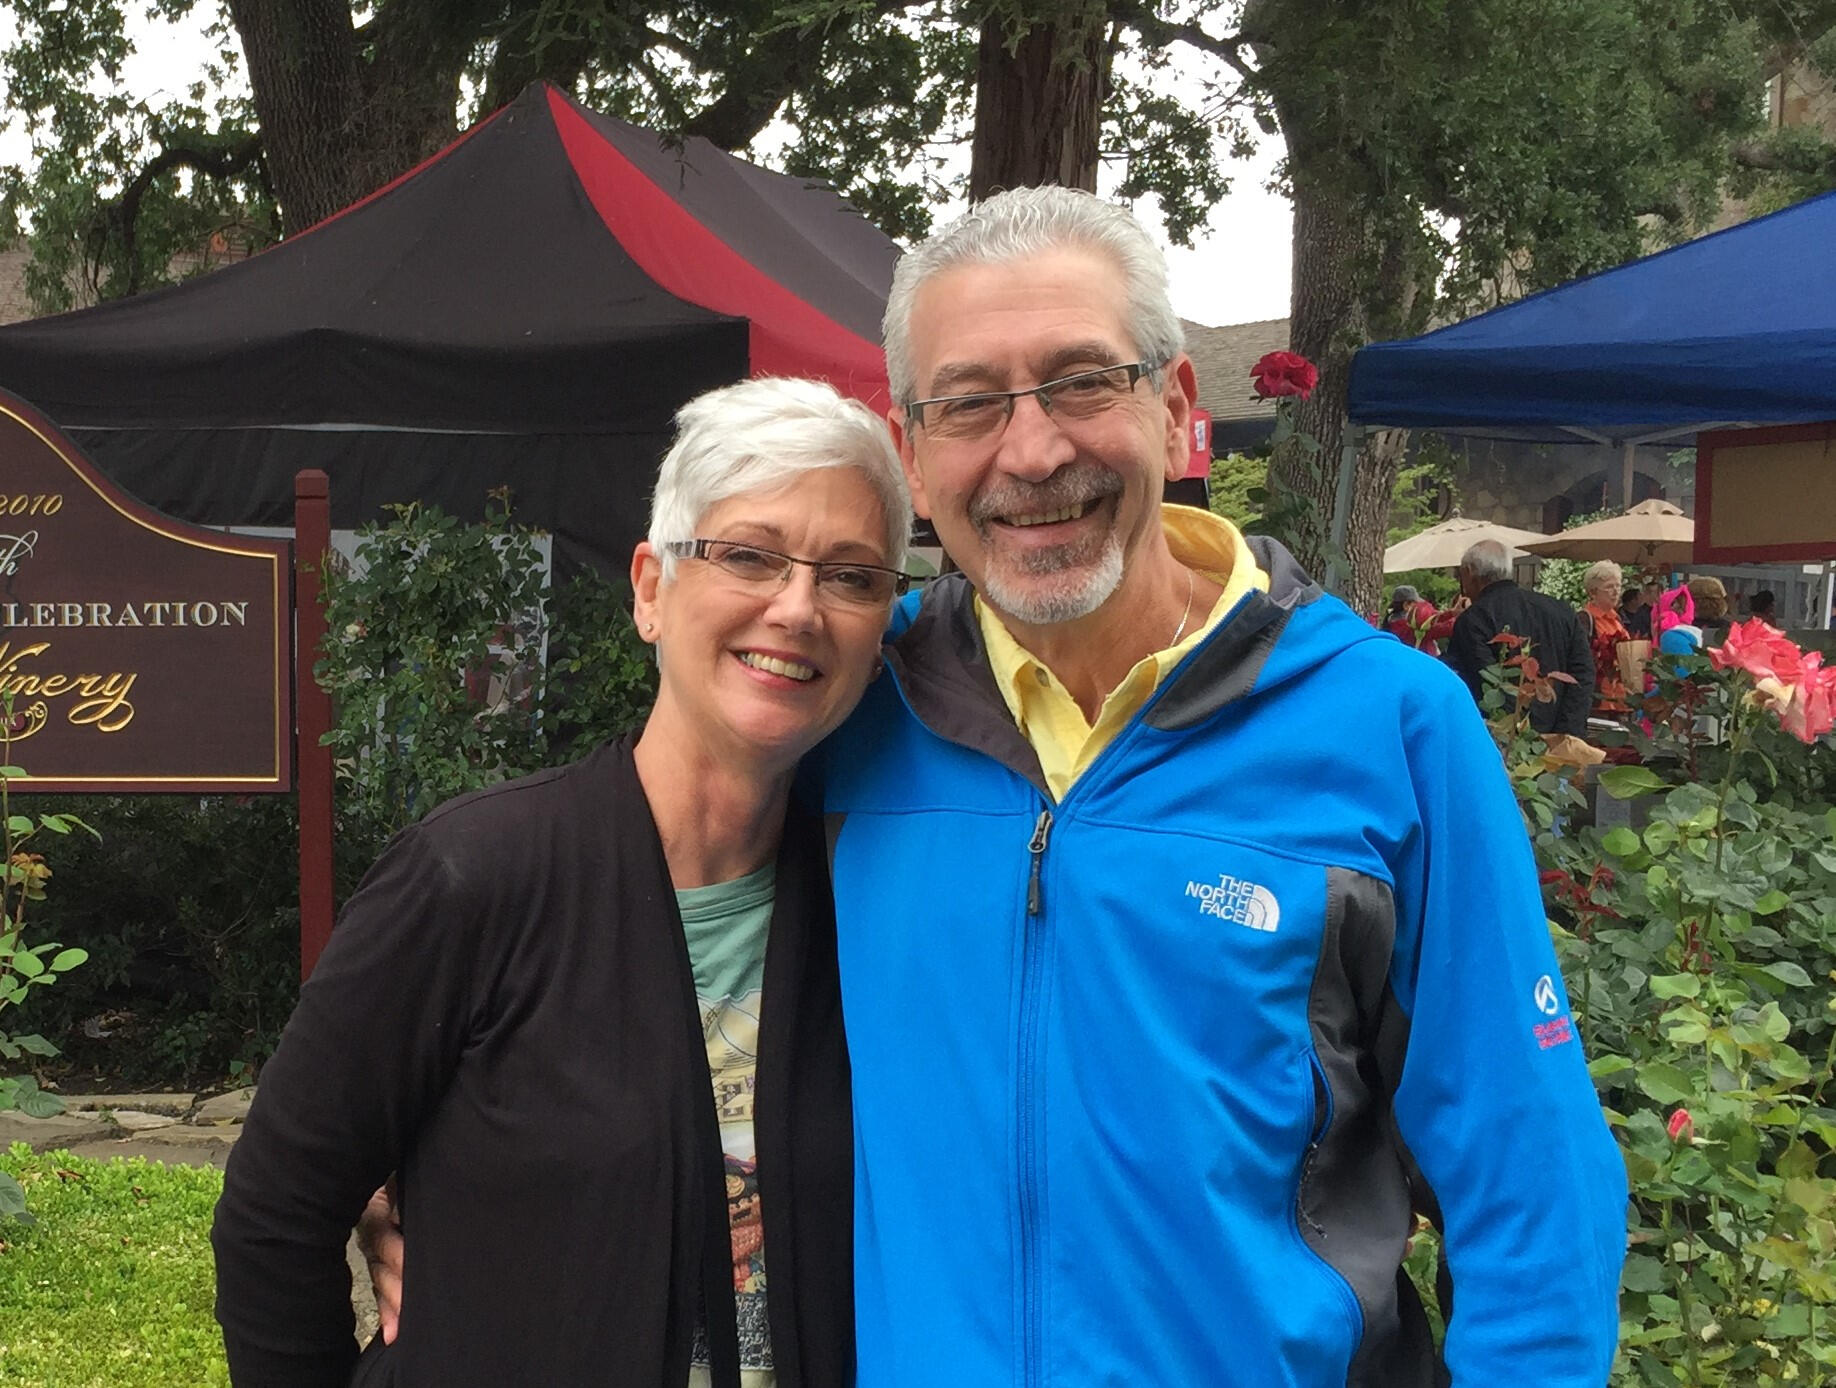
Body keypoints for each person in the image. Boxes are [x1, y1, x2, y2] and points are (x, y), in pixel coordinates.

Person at [371, 189, 1627, 1384]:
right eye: (969, 405)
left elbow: (1534, 1197)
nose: (1031, 452)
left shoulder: (1390, 730)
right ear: (915, 456)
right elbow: (632, 901)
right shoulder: (859, 702)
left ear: (1178, 404)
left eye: (1083, 381)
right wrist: (414, 1148)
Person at [213, 377, 913, 1387]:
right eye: (749, 554)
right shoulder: (475, 880)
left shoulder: (880, 906)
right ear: (651, 587)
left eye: (850, 576)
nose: (797, 607)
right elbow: (275, 1215)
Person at [1445, 539, 1595, 734]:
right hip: (1560, 737)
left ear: (1470, 572)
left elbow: (1485, 684)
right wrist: (1568, 731)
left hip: (1504, 742)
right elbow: (1583, 674)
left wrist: (1518, 737)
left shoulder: (1473, 620)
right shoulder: (1561, 611)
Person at [1577, 560, 1632, 718]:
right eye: (1609, 587)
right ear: (1593, 592)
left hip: (1621, 699)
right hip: (1597, 701)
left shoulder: (1618, 620)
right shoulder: (1585, 619)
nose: (1615, 592)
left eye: (1618, 586)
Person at [1382, 583, 1461, 656]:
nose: (1419, 607)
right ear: (1406, 605)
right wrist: (1457, 615)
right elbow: (1443, 628)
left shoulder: (1393, 622)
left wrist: (1452, 613)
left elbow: (1434, 618)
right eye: (1416, 604)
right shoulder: (1411, 628)